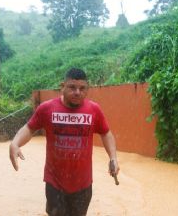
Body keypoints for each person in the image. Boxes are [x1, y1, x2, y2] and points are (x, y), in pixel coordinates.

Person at [9, 68, 120, 216]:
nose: (77, 92)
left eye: (82, 88)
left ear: (87, 89)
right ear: (62, 86)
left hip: (83, 183)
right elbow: (29, 128)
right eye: (72, 87)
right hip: (55, 182)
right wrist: (15, 143)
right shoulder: (47, 109)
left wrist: (113, 157)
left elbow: (106, 133)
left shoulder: (94, 110)